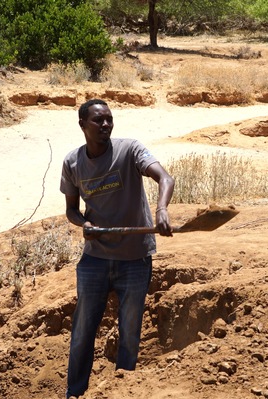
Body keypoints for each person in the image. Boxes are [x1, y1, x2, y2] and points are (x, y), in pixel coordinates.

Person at [60, 98, 175, 398]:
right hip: (95, 260)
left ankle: (123, 391)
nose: (106, 125)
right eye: (98, 120)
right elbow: (71, 209)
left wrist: (162, 209)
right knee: (83, 333)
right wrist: (83, 224)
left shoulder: (130, 149)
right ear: (82, 125)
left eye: (109, 119)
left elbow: (165, 177)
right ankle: (75, 392)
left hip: (134, 259)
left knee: (130, 335)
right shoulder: (73, 162)